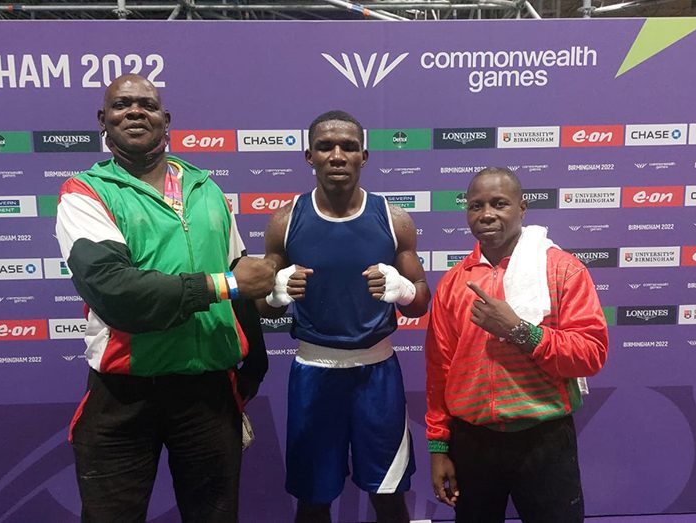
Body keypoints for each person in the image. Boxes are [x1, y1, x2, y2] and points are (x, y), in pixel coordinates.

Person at [55, 73, 276, 522]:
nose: (135, 111)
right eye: (121, 105)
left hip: (209, 392)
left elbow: (241, 274)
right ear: (103, 120)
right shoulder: (84, 193)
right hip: (124, 394)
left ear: (166, 119)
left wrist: (254, 363)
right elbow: (119, 294)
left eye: (147, 104)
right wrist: (225, 284)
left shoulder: (205, 188)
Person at [258, 110, 430, 523]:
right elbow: (261, 306)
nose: (337, 155)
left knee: (389, 495)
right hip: (314, 373)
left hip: (378, 376)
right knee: (313, 500)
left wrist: (403, 289)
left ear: (364, 156)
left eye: (348, 147)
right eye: (326, 147)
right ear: (309, 156)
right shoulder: (285, 221)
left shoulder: (394, 219)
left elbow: (422, 301)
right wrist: (276, 293)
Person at [425, 167, 608, 523]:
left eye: (499, 204)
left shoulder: (562, 270)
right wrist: (439, 447)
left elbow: (590, 354)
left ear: (522, 209)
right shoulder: (452, 283)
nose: (487, 214)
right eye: (476, 206)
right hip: (472, 443)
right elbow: (439, 370)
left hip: (544, 440)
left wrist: (519, 330)